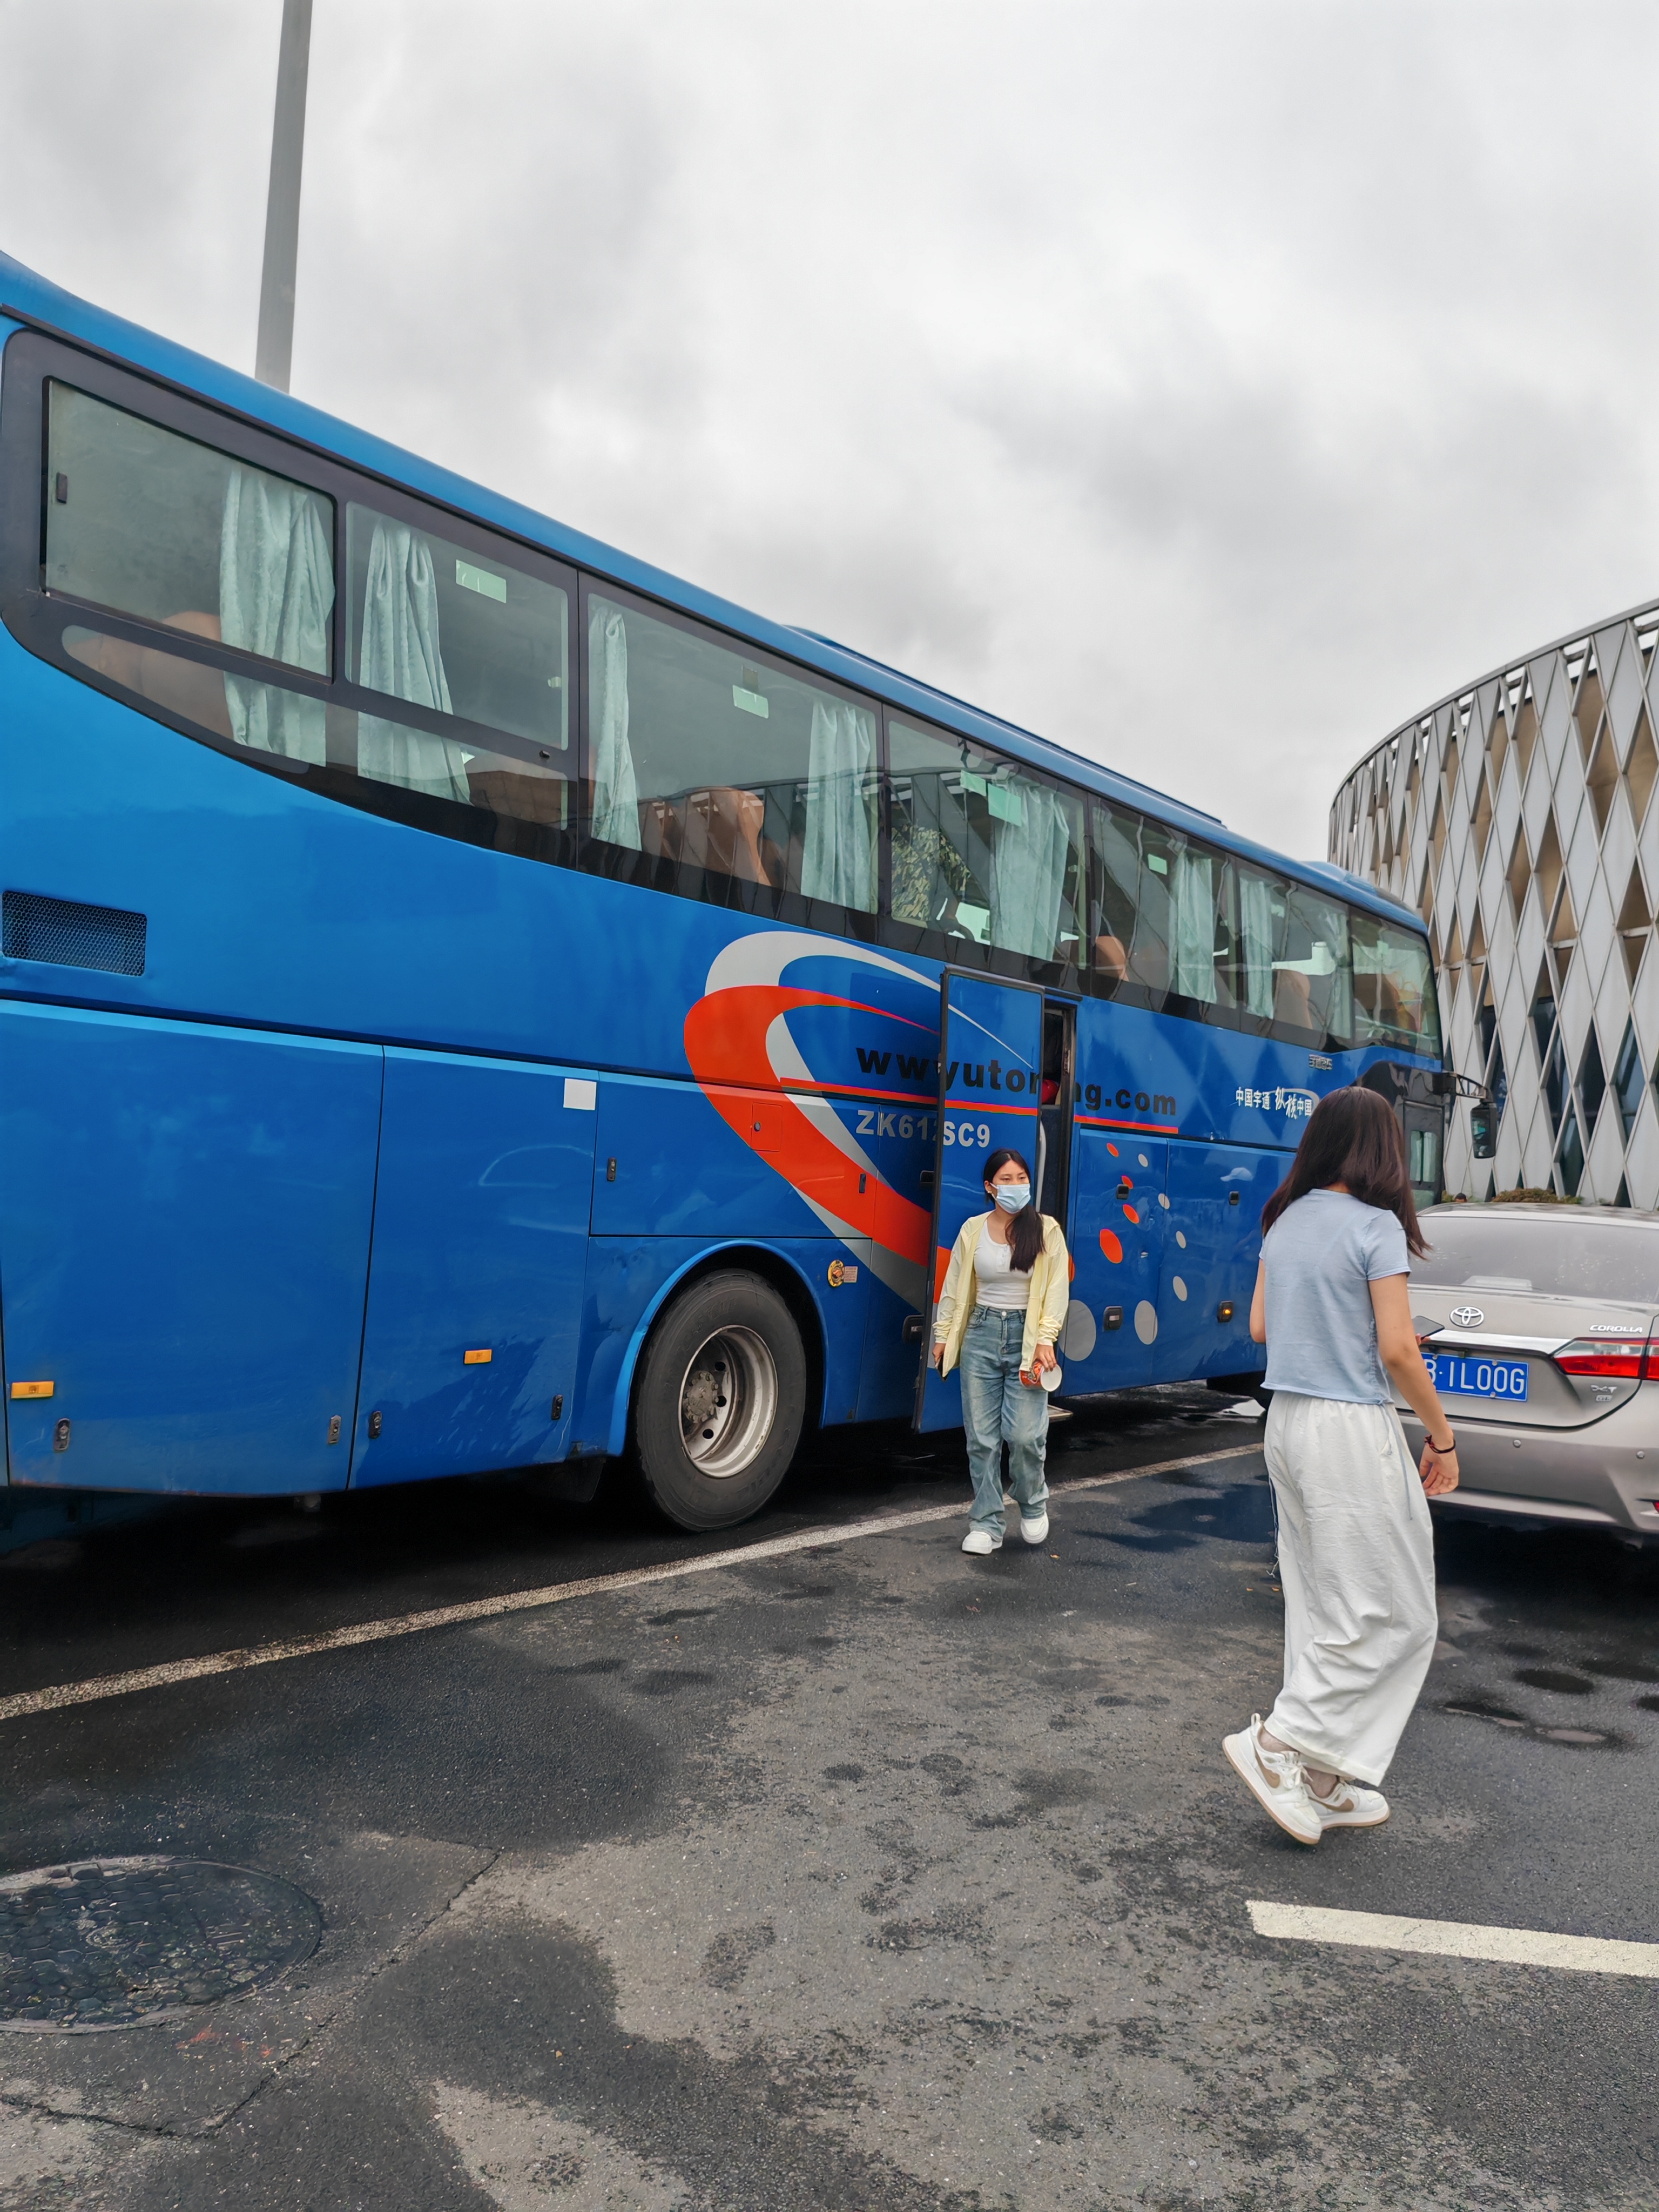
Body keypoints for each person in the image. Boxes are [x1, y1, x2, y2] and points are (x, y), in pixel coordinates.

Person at [1223, 1084, 1459, 1845]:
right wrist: (1443, 1436)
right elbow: (1395, 1349)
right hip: (1350, 1426)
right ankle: (1278, 1743)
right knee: (1396, 1609)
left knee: (1326, 1601)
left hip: (1285, 1420)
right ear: (1385, 1150)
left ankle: (1323, 1777)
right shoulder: (1377, 1228)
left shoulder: (1287, 1217)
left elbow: (1261, 1325)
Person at [931, 1149, 1070, 1556]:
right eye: (1005, 1180)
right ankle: (986, 1523)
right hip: (980, 1333)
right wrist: (943, 1336)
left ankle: (1032, 1500)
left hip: (1028, 1338)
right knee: (982, 1438)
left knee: (1025, 1435)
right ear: (989, 1187)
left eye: (1021, 1178)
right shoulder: (972, 1230)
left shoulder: (1046, 1230)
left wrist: (1047, 1338)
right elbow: (955, 1285)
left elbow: (1057, 1290)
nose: (1015, 1186)